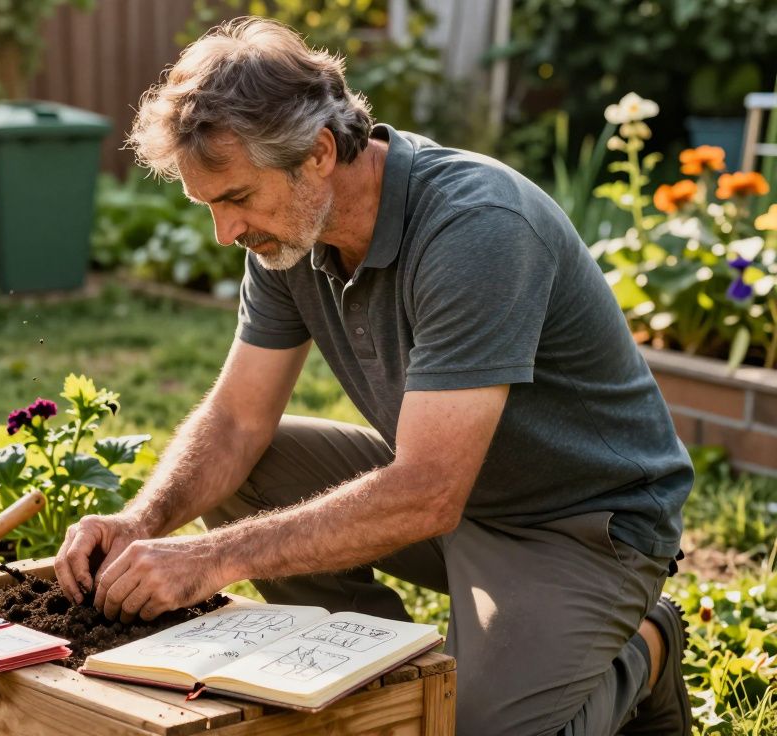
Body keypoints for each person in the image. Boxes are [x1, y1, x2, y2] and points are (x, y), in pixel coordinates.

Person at [53, 17, 694, 736]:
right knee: (252, 463)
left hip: (581, 523)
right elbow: (235, 421)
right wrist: (140, 521)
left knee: (474, 732)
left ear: (319, 152)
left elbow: (426, 492)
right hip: (456, 489)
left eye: (234, 198)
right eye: (209, 207)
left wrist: (212, 558)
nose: (224, 232)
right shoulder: (288, 239)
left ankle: (645, 648)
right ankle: (387, 680)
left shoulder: (476, 227)